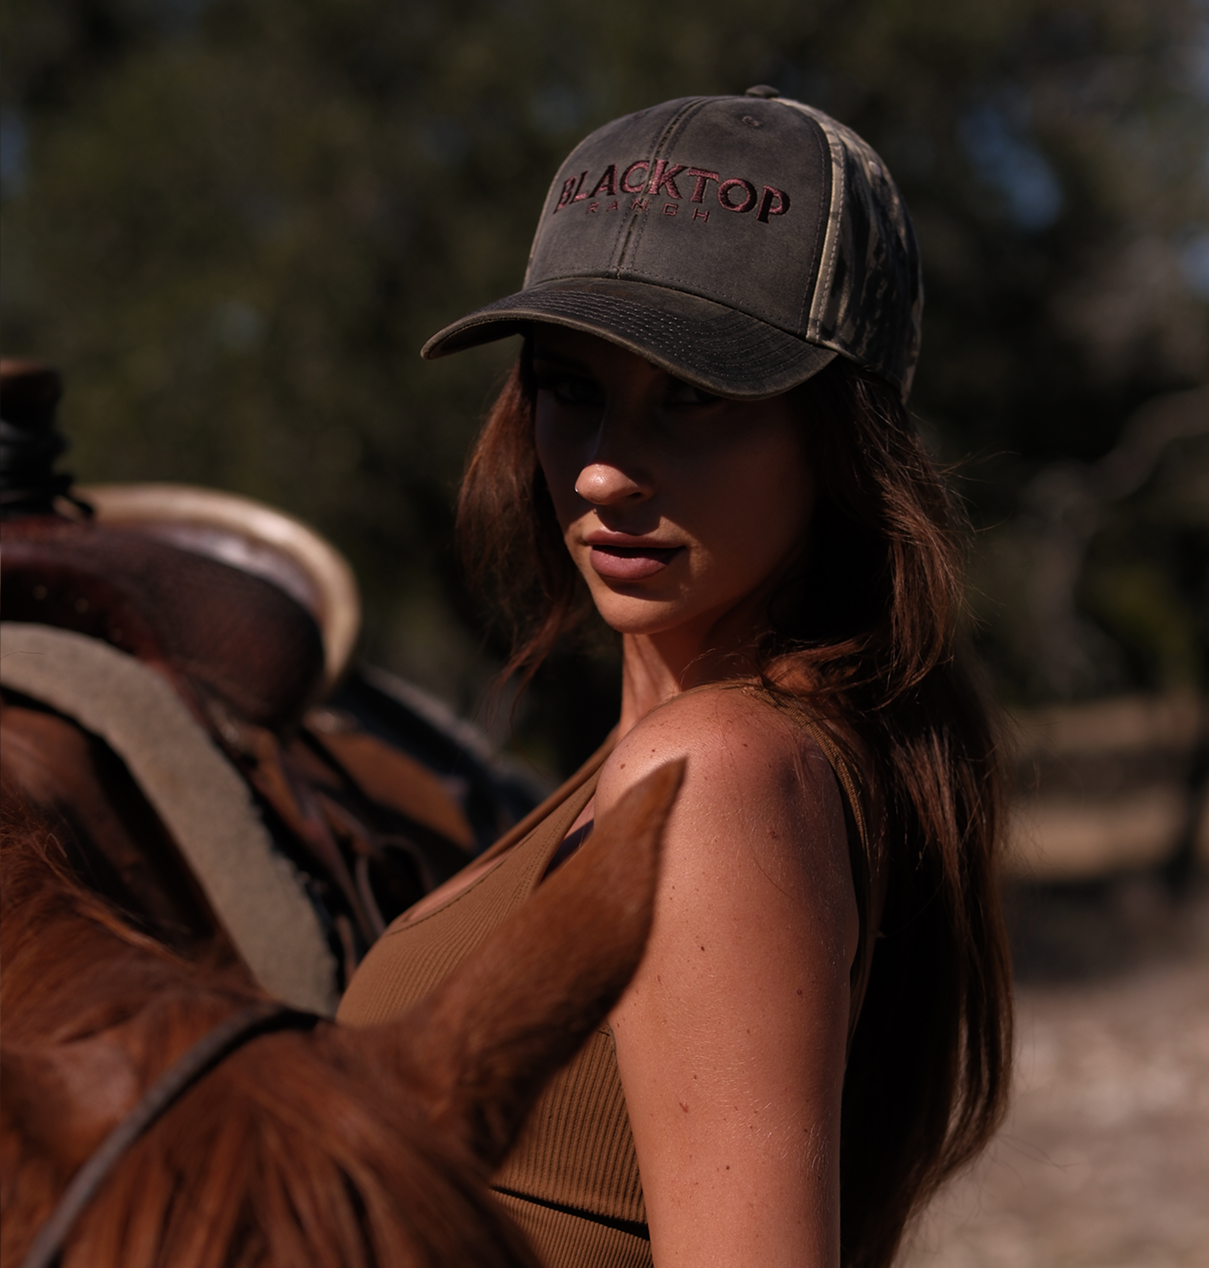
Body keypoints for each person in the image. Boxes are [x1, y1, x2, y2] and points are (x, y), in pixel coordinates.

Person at [338, 88, 1013, 1268]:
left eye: (691, 396)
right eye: (569, 385)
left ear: (838, 431)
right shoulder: (677, 761)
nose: (601, 472)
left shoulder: (714, 773)